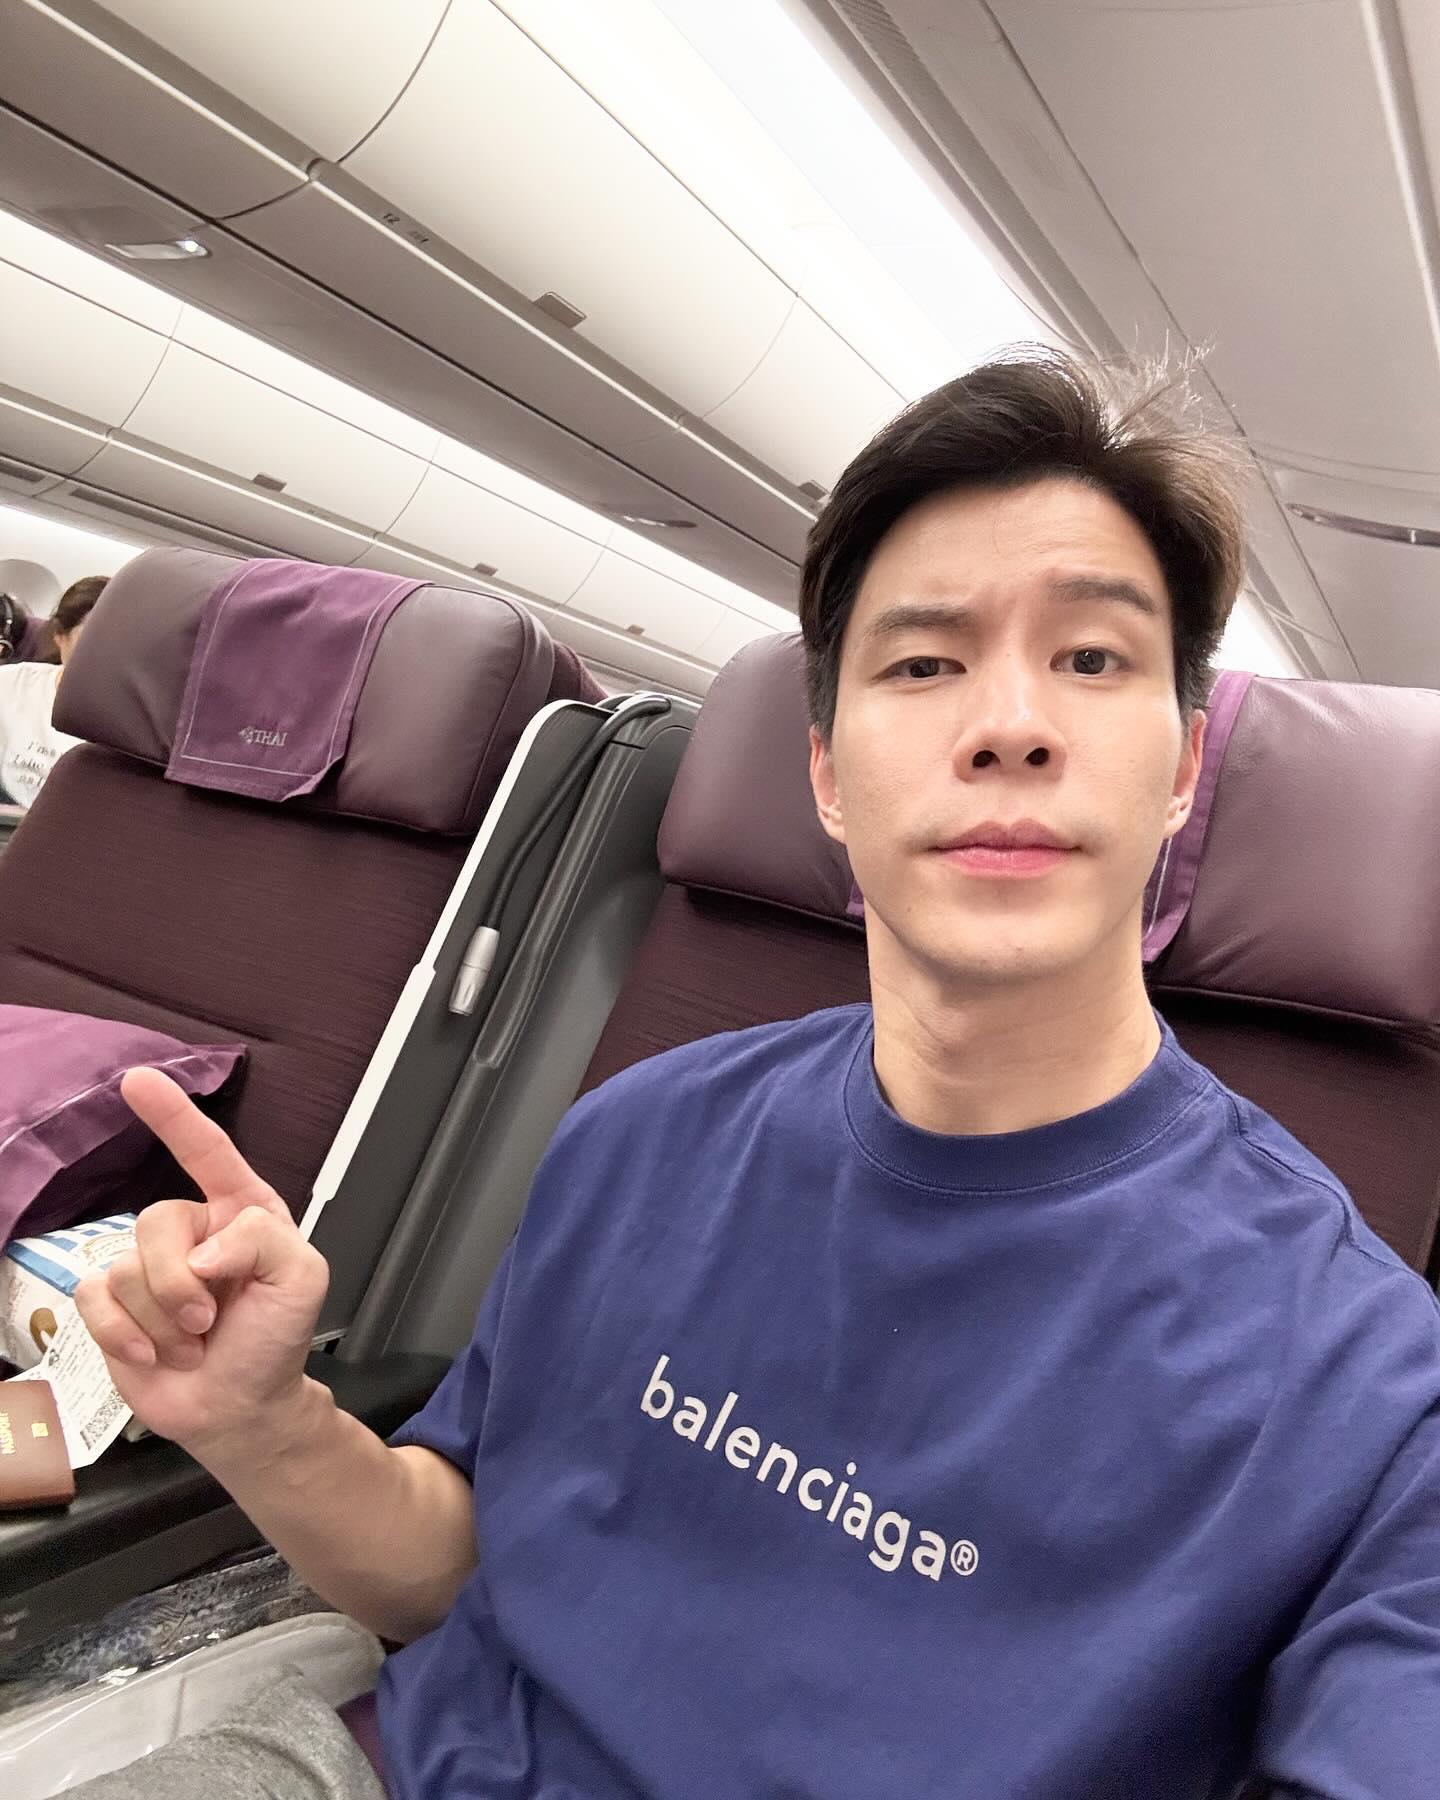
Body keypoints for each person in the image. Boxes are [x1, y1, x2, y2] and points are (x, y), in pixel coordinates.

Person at [76, 350, 1440, 1800]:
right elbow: (461, 1573)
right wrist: (264, 1421)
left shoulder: (1359, 1388)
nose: (1010, 724)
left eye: (1093, 660)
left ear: (1181, 771)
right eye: (923, 664)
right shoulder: (638, 1137)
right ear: (829, 778)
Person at [0, 573, 107, 808]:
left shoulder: (132, 718)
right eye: (91, 636)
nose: (102, 651)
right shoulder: (11, 684)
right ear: (60, 637)